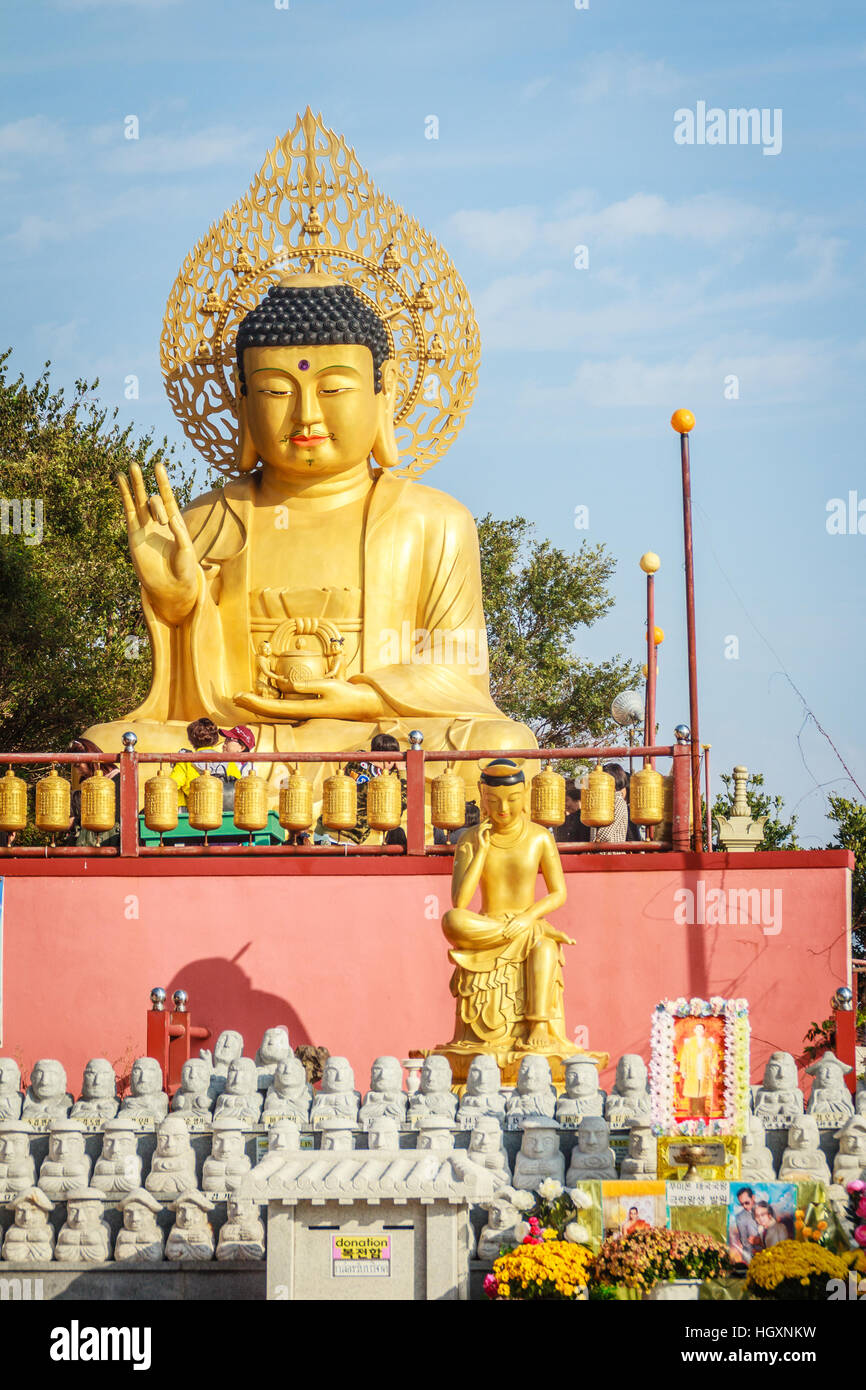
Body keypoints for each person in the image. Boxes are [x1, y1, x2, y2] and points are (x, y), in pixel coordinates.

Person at [170, 718, 252, 808]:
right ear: (215, 739)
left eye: (229, 739)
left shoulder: (185, 761)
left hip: (195, 812)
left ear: (191, 740)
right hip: (221, 812)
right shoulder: (228, 762)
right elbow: (239, 788)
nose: (225, 742)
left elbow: (171, 785)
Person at [67, 738, 120, 847]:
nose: (77, 771)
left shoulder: (117, 780)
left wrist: (76, 821)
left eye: (78, 765)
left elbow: (115, 814)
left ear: (90, 760)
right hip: (86, 839)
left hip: (110, 839)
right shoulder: (84, 787)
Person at [590, 763, 630, 846]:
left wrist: (590, 848)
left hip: (610, 853)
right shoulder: (605, 801)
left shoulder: (618, 801)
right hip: (599, 851)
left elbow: (605, 835)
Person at [731, 1186, 762, 1264]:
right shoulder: (740, 1217)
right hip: (751, 1256)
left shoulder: (766, 1209)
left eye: (747, 1202)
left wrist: (761, 1241)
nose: (744, 1206)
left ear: (753, 1198)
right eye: (741, 1204)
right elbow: (744, 1240)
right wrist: (754, 1252)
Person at [554, 779, 590, 844]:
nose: (565, 804)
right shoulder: (565, 818)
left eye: (566, 800)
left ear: (577, 801)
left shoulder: (584, 817)